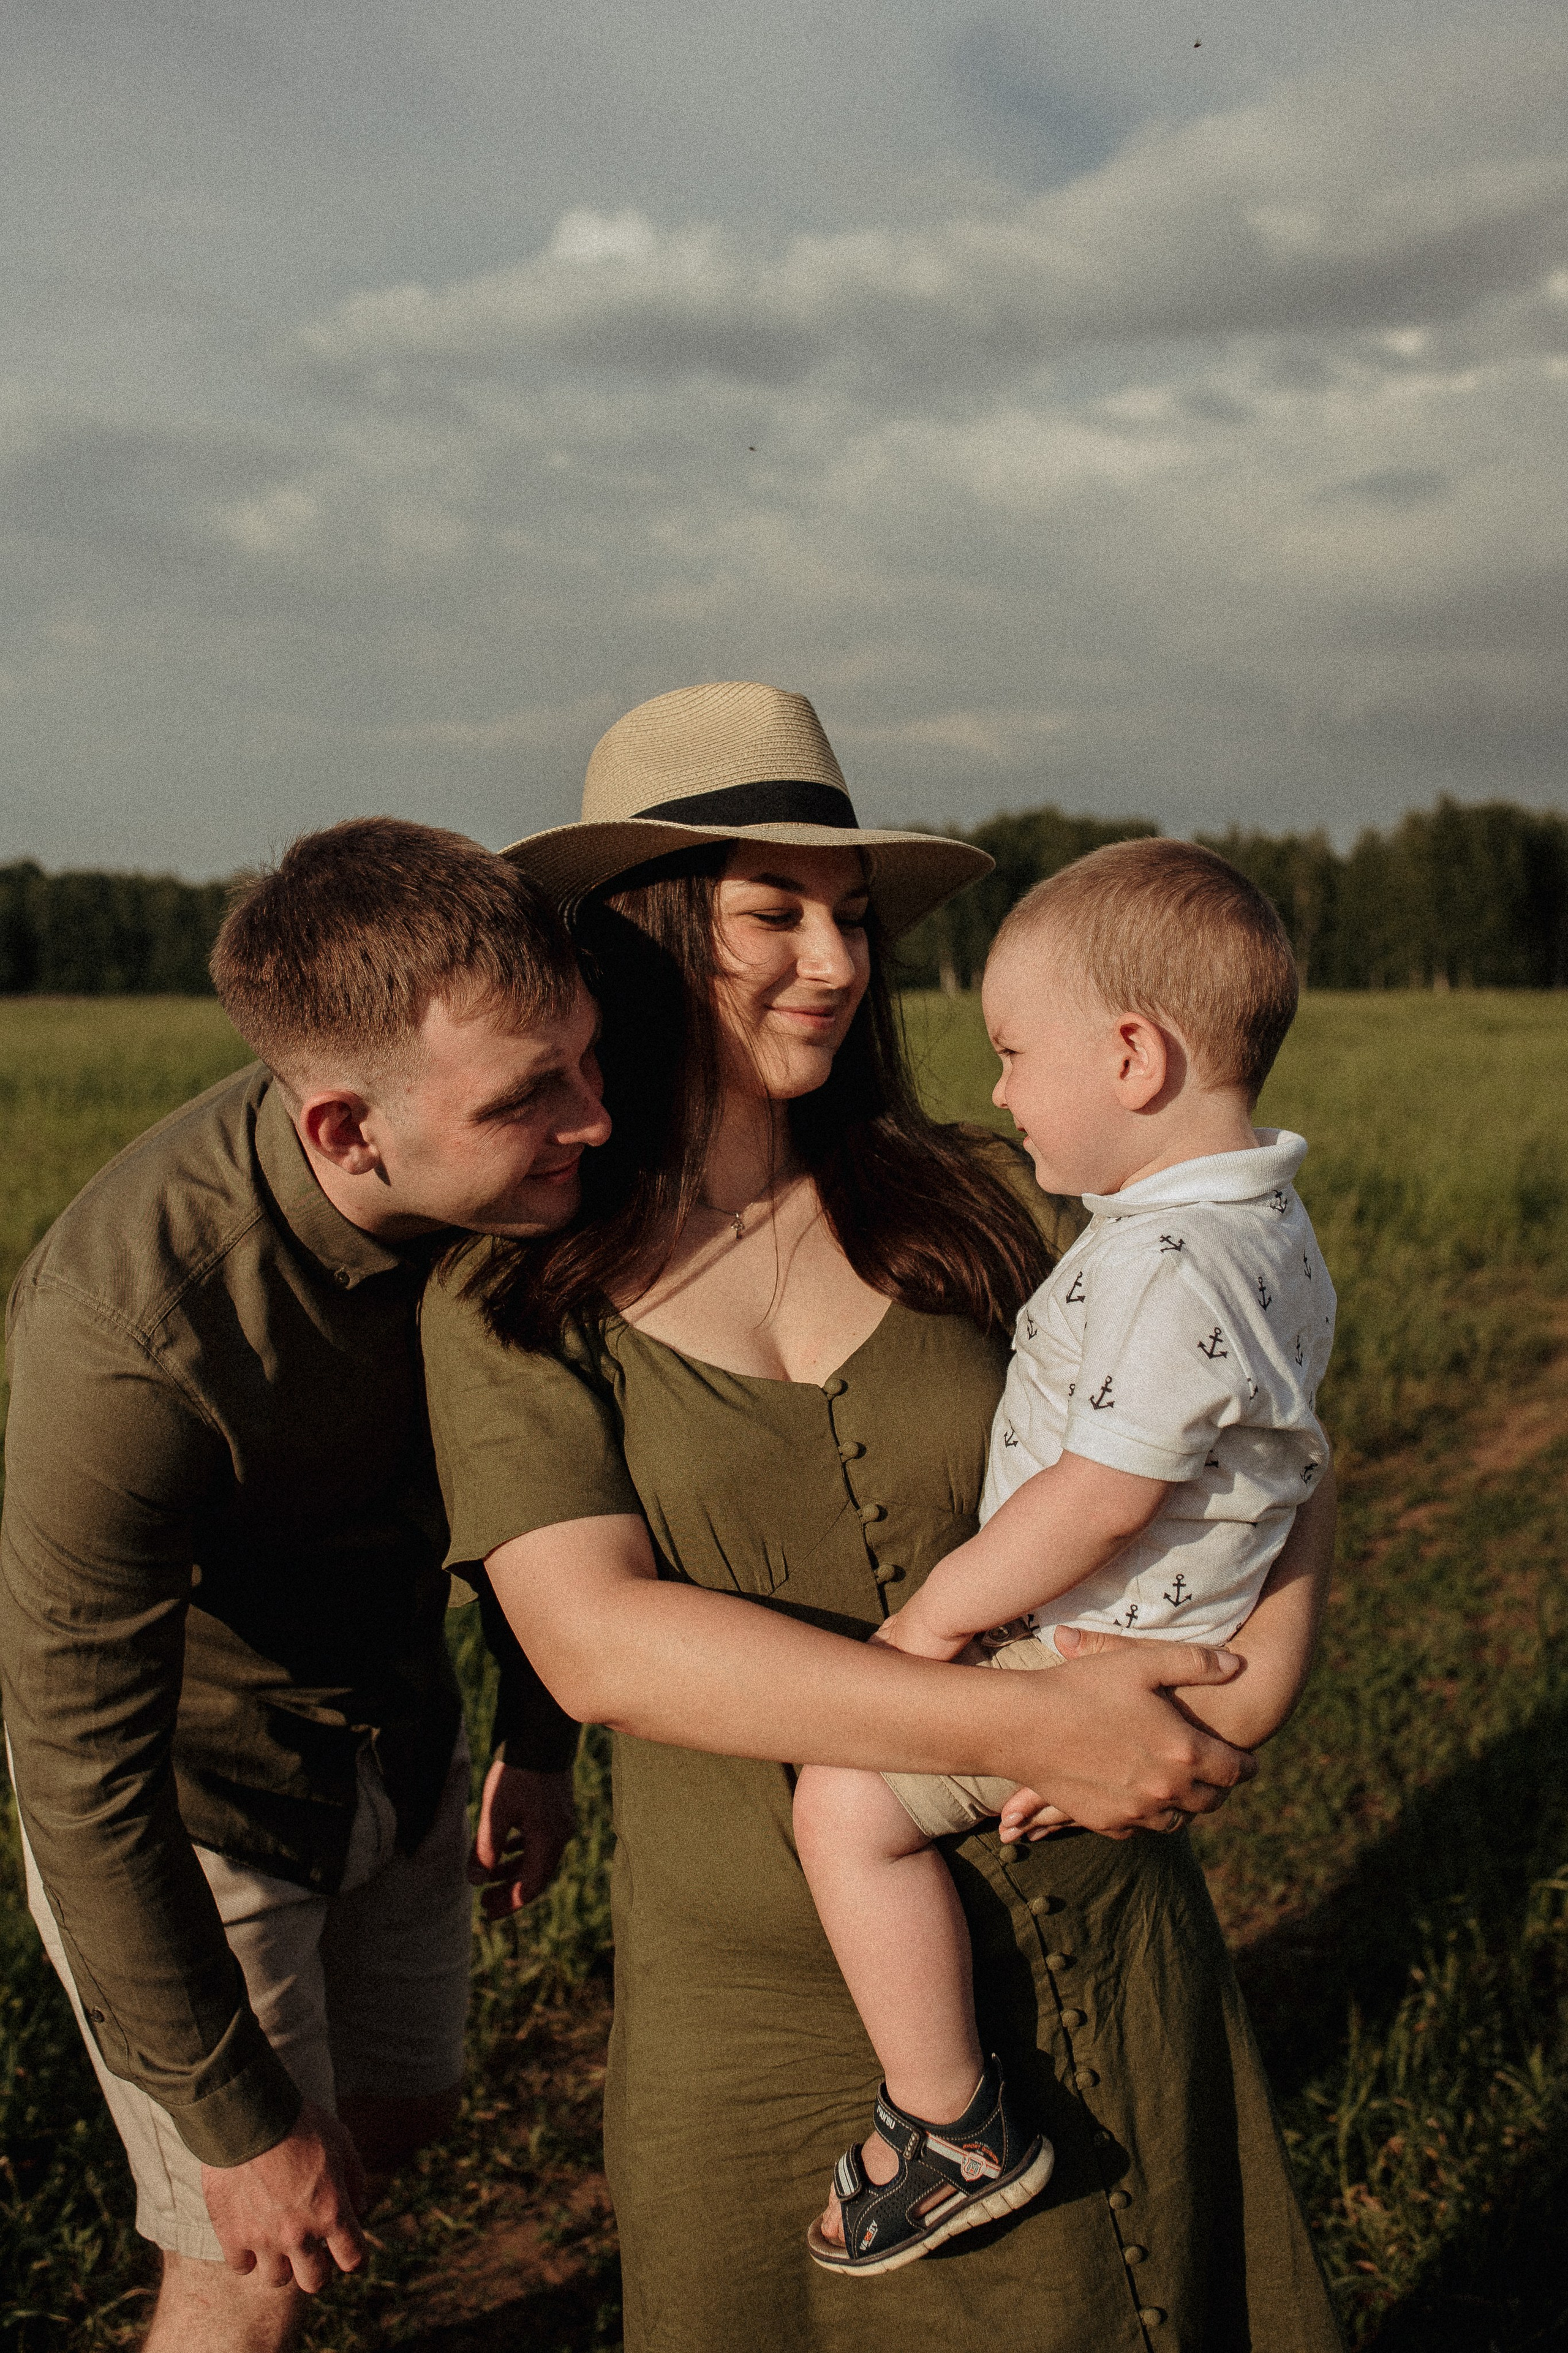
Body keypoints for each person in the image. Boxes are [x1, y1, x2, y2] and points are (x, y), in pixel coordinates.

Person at [419, 681, 1344, 2352]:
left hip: (1094, 1943)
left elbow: (1251, 1441)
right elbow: (598, 1646)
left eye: (851, 917)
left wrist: (1256, 1676)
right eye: (774, 913)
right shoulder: (511, 1294)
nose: (836, 963)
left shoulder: (966, 1200)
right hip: (758, 2023)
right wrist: (1027, 1723)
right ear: (643, 931)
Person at [0, 818, 609, 2353]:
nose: (594, 1119)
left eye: (584, 1062)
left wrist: (538, 1740)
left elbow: (538, 1470)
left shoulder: (510, 1184)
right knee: (257, 2260)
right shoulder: (130, 1335)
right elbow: (78, 1771)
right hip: (204, 1813)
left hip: (399, 1744)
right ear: (346, 1130)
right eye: (528, 1095)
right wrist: (234, 2117)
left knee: (398, 2115)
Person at [792, 839, 1337, 2275]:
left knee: (842, 1802)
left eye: (1013, 1053)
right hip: (1172, 1640)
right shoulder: (1259, 1221)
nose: (997, 1091)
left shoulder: (1165, 1262)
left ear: (1132, 1058)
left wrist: (931, 1622)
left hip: (1093, 1647)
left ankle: (944, 2121)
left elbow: (1096, 1500)